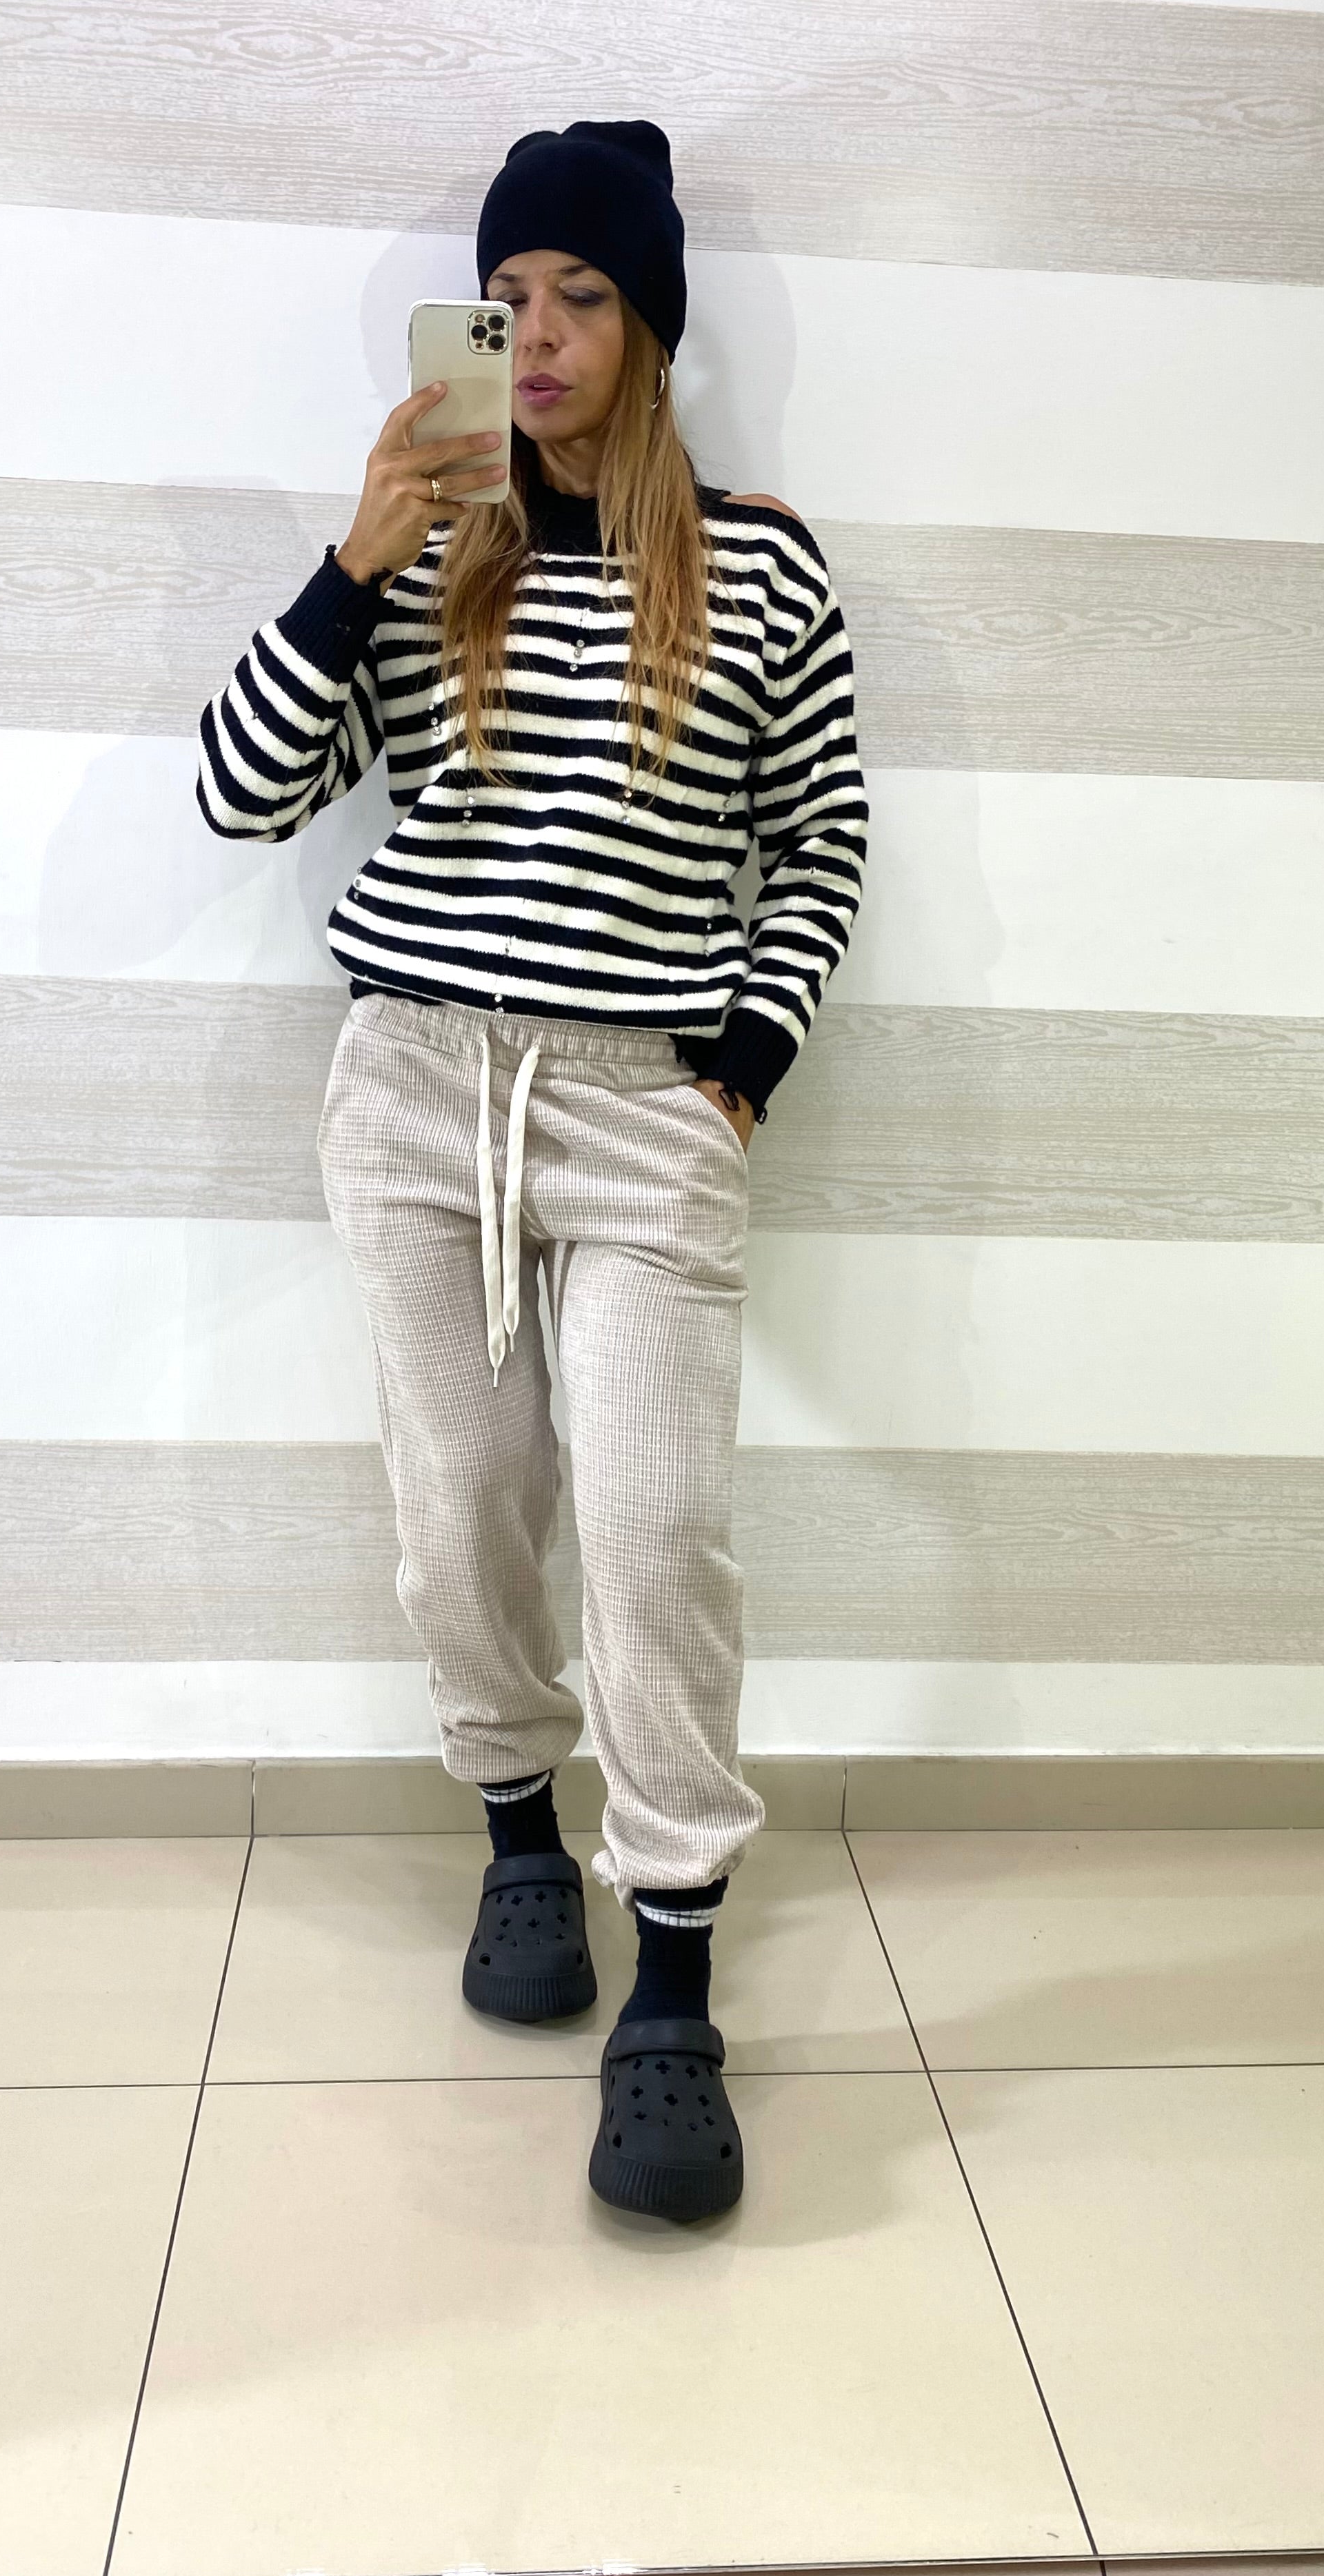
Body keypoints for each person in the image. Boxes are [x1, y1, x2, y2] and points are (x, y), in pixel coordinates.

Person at [194, 119, 867, 2220]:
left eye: (582, 295)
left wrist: (738, 1064)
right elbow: (240, 796)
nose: (542, 334)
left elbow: (818, 838)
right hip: (416, 1090)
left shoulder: (760, 566)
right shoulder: (424, 557)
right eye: (504, 303)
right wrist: (352, 563)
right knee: (462, 1506)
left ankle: (671, 1975)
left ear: (648, 324)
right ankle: (515, 1838)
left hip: (642, 1111)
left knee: (656, 1531)